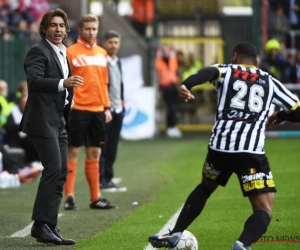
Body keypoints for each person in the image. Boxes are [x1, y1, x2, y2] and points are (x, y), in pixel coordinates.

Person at [148, 42, 300, 250]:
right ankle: (242, 244)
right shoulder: (270, 81)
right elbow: (297, 111)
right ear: (256, 62)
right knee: (263, 209)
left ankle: (175, 233)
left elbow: (207, 72)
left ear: (235, 56)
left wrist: (186, 85)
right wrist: (280, 115)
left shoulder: (226, 70)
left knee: (205, 187)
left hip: (219, 148)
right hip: (250, 151)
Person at [20, 8, 83, 245]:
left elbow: (63, 86)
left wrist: (69, 97)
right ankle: (39, 225)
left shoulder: (62, 53)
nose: (58, 29)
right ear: (44, 28)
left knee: (61, 173)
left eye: (62, 26)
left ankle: (50, 225)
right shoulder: (38, 51)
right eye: (53, 25)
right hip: (41, 121)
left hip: (58, 121)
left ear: (67, 29)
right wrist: (63, 83)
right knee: (53, 169)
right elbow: (34, 82)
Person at [64, 14, 117, 210]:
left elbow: (104, 83)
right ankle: (69, 197)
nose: (91, 32)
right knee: (73, 151)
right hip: (77, 108)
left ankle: (96, 198)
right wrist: (68, 105)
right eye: (87, 29)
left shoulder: (102, 53)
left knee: (95, 152)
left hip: (97, 110)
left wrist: (106, 107)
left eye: (94, 29)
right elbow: (66, 81)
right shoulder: (69, 52)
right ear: (80, 29)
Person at [99, 30, 127, 192]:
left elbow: (119, 85)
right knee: (103, 146)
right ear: (104, 43)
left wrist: (122, 105)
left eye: (116, 42)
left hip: (118, 109)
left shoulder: (118, 62)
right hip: (106, 110)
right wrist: (105, 107)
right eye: (110, 42)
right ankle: (101, 180)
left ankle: (108, 178)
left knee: (112, 147)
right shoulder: (101, 62)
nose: (113, 45)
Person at [156, 45, 182, 138]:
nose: (166, 52)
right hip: (165, 87)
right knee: (170, 108)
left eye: (167, 50)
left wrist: (169, 47)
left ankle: (172, 127)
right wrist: (161, 49)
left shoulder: (172, 59)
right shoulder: (159, 60)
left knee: (173, 108)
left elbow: (174, 50)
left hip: (173, 86)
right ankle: (171, 127)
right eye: (164, 50)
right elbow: (158, 52)